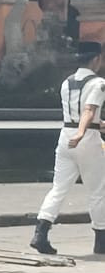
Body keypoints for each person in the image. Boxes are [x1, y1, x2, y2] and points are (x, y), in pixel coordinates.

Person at [31, 40, 105, 255]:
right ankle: (101, 240)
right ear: (95, 59)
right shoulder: (99, 83)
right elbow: (89, 110)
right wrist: (82, 133)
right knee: (98, 191)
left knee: (58, 188)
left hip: (65, 137)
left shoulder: (67, 82)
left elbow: (81, 114)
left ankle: (40, 232)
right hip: (87, 139)